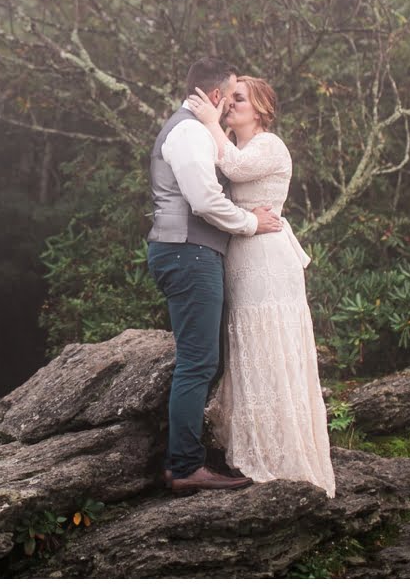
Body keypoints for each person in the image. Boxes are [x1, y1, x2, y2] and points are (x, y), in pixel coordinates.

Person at [185, 76, 336, 498]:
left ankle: (284, 451)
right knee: (250, 346)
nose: (230, 105)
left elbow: (234, 168)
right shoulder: (236, 144)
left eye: (238, 100)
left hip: (268, 259)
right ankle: (255, 443)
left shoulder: (270, 145)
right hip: (242, 255)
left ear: (262, 110)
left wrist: (210, 121)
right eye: (228, 99)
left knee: (271, 342)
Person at [146, 57, 283, 494]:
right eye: (231, 95)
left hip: (194, 254)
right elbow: (204, 200)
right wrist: (250, 224)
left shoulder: (196, 130)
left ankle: (186, 458)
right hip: (188, 253)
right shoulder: (187, 132)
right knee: (198, 362)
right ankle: (185, 466)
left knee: (207, 360)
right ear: (218, 95)